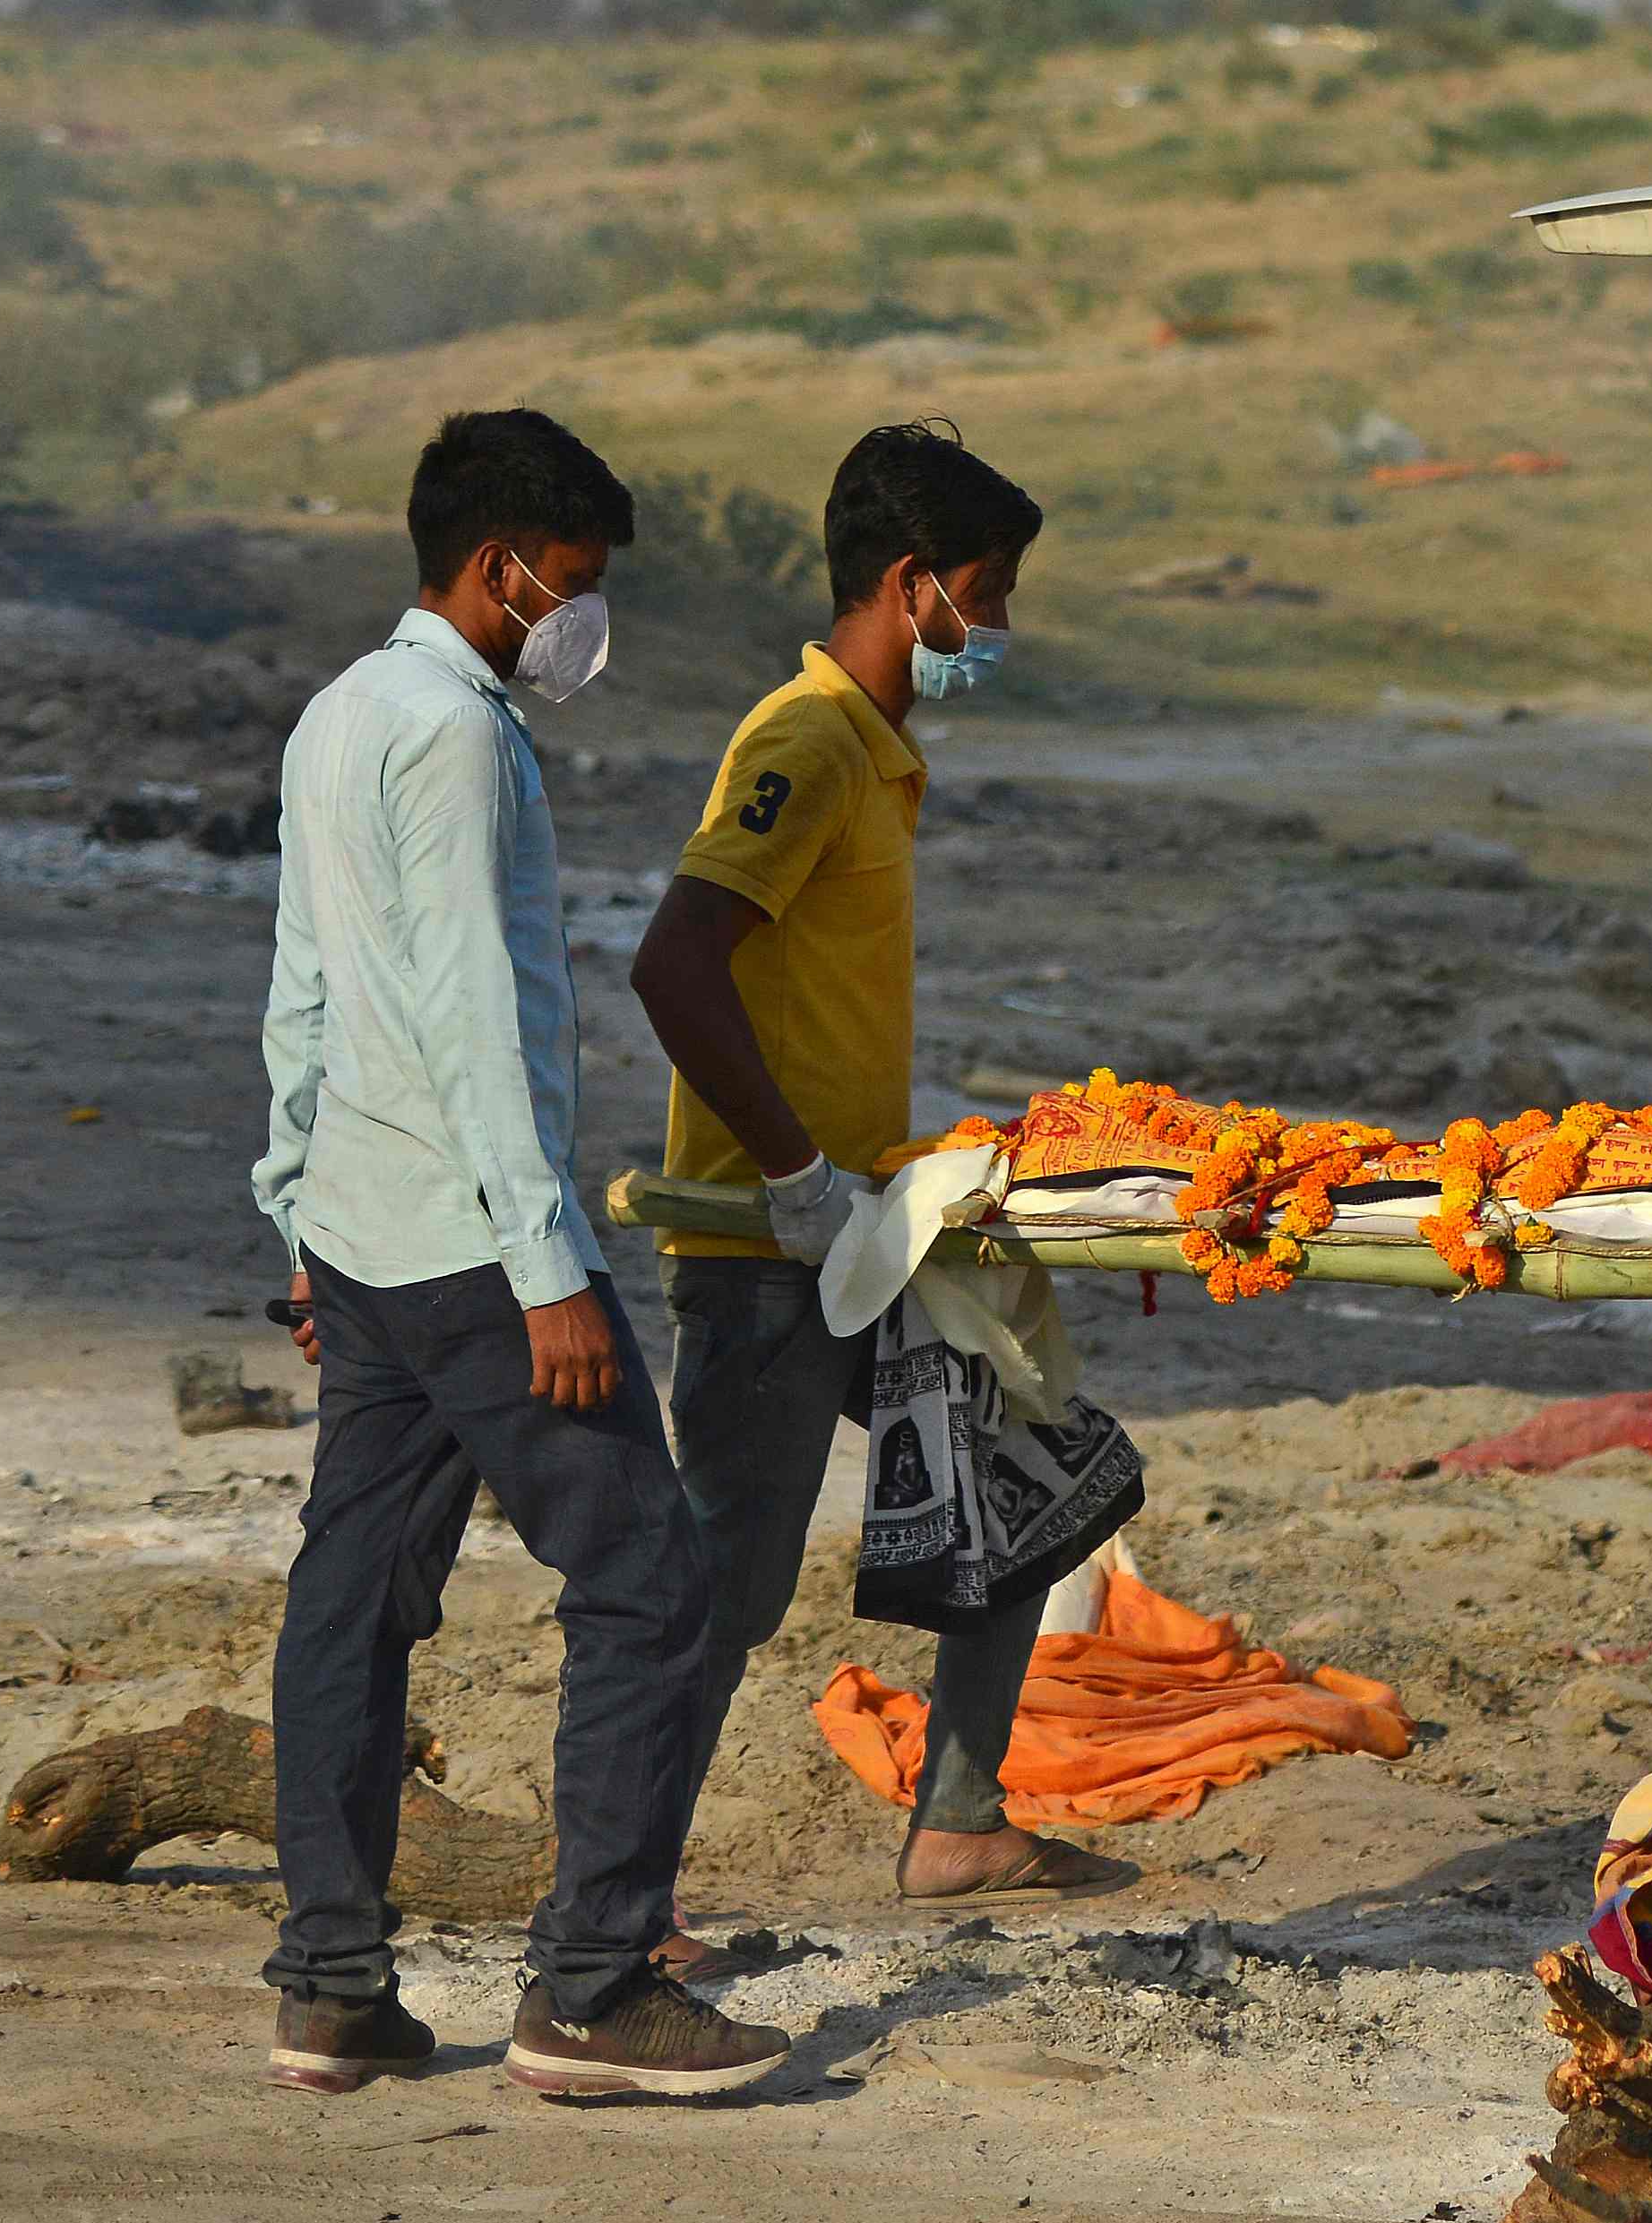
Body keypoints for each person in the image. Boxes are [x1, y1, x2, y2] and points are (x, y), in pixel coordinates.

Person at [254, 409, 793, 2101]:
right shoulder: (459, 739)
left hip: (361, 1231)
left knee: (353, 1592)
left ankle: (332, 1984)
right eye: (573, 584)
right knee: (648, 1575)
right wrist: (547, 1259)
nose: (580, 617)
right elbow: (474, 1017)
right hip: (473, 1247)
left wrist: (292, 1204)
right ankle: (592, 1982)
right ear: (499, 567)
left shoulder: (339, 716)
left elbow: (305, 985)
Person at [628, 420, 1116, 1905]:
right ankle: (613, 1903)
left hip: (867, 1231)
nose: (1002, 624)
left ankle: (960, 1819)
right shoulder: (805, 739)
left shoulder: (877, 753)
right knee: (727, 1590)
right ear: (914, 587)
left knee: (1031, 1458)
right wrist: (790, 1173)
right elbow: (675, 963)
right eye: (990, 590)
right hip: (771, 1244)